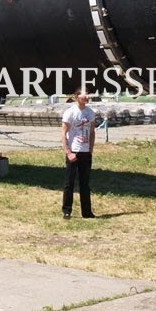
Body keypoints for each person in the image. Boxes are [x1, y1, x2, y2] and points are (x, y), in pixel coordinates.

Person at [60, 88, 96, 219]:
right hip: (73, 151)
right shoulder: (70, 112)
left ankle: (87, 212)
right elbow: (63, 133)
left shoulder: (90, 113)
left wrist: (90, 150)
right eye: (84, 94)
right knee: (69, 183)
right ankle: (67, 210)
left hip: (85, 152)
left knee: (85, 184)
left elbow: (92, 132)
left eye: (88, 94)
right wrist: (68, 152)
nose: (86, 96)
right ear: (77, 96)